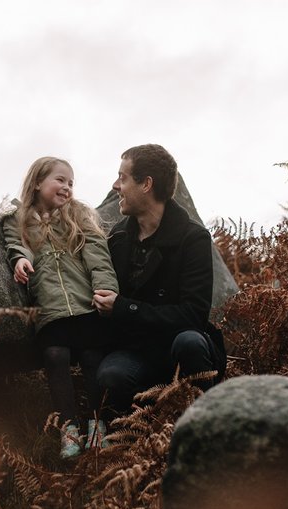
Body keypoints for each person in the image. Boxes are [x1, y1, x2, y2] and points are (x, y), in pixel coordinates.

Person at [92, 144, 225, 418]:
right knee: (111, 376)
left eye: (123, 177)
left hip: (180, 348)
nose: (115, 185)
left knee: (191, 342)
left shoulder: (193, 238)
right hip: (135, 351)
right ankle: (144, 436)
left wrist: (124, 308)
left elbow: (193, 315)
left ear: (146, 184)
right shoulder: (117, 238)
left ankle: (205, 424)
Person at [0, 157, 119, 459]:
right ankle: (69, 430)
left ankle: (96, 426)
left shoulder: (77, 215)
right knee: (55, 356)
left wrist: (105, 289)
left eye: (71, 183)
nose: (66, 187)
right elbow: (16, 241)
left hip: (85, 305)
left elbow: (97, 254)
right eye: (60, 180)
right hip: (50, 307)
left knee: (92, 358)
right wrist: (20, 259)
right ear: (38, 182)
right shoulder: (19, 216)